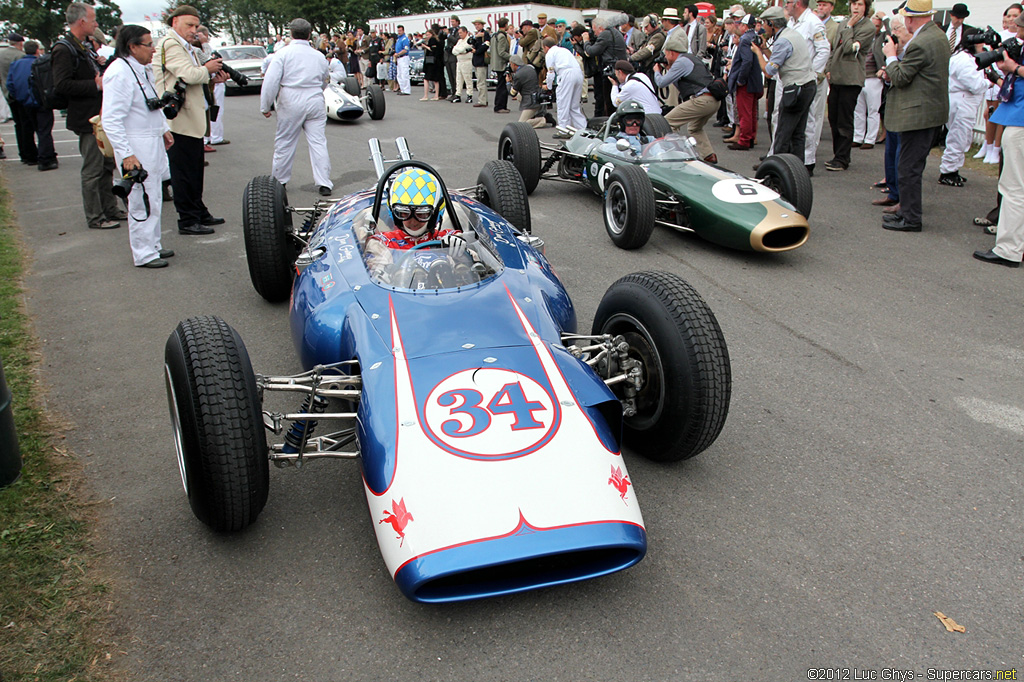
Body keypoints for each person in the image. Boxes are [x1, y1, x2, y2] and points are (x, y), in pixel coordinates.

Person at [101, 25, 175, 268]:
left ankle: (152, 244)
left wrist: (163, 128)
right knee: (140, 197)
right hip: (135, 142)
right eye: (148, 44)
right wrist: (126, 154)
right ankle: (143, 252)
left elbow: (150, 103)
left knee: (153, 194)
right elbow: (111, 119)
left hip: (150, 138)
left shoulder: (141, 70)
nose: (153, 49)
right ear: (132, 46)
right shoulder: (119, 73)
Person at [153, 4, 228, 235]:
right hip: (180, 119)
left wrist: (213, 78)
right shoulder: (171, 44)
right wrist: (207, 68)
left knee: (195, 170)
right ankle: (187, 219)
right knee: (184, 172)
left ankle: (198, 211)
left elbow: (194, 79)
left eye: (196, 25)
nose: (194, 30)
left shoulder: (186, 46)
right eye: (189, 25)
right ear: (174, 22)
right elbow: (189, 74)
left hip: (192, 117)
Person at [879, 0, 950, 233]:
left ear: (910, 18)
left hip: (919, 114)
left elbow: (900, 77)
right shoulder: (936, 35)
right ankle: (907, 212)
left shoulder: (921, 42)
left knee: (908, 168)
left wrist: (890, 56)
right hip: (929, 112)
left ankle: (910, 217)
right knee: (911, 166)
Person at [53, 3, 125, 230]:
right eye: (93, 20)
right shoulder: (64, 49)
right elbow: (62, 84)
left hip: (99, 113)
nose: (96, 24)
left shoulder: (83, 46)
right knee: (93, 169)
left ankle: (110, 208)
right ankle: (96, 216)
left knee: (105, 166)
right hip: (87, 118)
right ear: (82, 21)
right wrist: (94, 84)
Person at [973, 12, 1024, 267]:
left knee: (1014, 189)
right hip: (1016, 115)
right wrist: (999, 76)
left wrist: (1014, 67)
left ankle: (1009, 249)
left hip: (1020, 122)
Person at [260, 18, 332, 197]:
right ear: (309, 35)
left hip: (291, 97)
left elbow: (271, 81)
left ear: (291, 33)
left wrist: (266, 105)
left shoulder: (283, 54)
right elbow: (325, 79)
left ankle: (280, 181)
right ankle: (324, 183)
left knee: (285, 142)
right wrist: (317, 91)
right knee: (318, 142)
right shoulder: (318, 55)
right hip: (314, 97)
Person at [364, 168, 462, 276]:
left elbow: (474, 267)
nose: (413, 221)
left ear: (434, 214)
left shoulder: (449, 239)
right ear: (395, 213)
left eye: (421, 214)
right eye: (404, 213)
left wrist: (461, 254)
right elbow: (376, 271)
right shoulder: (382, 243)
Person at [751, 6, 817, 165]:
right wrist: (765, 48)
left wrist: (758, 53)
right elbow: (778, 60)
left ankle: (774, 170)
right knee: (798, 133)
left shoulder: (782, 41)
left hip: (796, 88)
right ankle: (799, 169)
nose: (763, 28)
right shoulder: (793, 34)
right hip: (808, 86)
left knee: (783, 132)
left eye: (764, 24)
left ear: (771, 23)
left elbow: (769, 71)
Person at [823, 0, 875, 171]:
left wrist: (849, 28)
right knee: (833, 117)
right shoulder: (844, 24)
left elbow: (848, 48)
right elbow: (834, 49)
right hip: (836, 77)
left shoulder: (867, 27)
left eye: (860, 4)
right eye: (853, 3)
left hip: (851, 78)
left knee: (845, 120)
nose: (855, 8)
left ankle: (842, 158)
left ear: (866, 7)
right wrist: (828, 68)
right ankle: (837, 154)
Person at [655, 33, 722, 162]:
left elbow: (661, 82)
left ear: (672, 52)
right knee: (694, 128)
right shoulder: (691, 58)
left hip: (702, 100)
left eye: (666, 54)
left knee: (667, 122)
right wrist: (669, 68)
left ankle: (678, 155)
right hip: (713, 100)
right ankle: (710, 156)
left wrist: (657, 71)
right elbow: (681, 83)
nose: (665, 57)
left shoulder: (680, 62)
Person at [787, 0, 831, 173]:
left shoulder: (813, 22)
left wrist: (812, 73)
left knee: (809, 120)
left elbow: (824, 50)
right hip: (793, 79)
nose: (786, 5)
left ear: (798, 3)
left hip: (808, 80)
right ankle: (792, 158)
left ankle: (807, 160)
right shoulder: (792, 22)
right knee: (792, 120)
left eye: (788, 1)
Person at [938, 41, 987, 186]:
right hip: (963, 101)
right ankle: (947, 171)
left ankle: (953, 169)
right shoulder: (965, 60)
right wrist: (988, 82)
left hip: (961, 100)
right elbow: (975, 85)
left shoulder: (961, 57)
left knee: (961, 136)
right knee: (959, 136)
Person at [6, 41, 58, 171]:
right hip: (41, 101)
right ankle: (46, 158)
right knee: (44, 130)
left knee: (27, 128)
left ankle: (30, 156)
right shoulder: (41, 63)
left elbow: (10, 83)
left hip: (24, 102)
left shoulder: (16, 64)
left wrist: (18, 96)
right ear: (37, 50)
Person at [726, 15, 763, 150]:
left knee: (745, 112)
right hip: (754, 80)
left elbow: (746, 61)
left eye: (740, 24)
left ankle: (744, 140)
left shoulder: (745, 39)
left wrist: (741, 79)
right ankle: (750, 137)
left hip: (746, 82)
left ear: (744, 26)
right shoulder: (754, 37)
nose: (738, 27)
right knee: (751, 112)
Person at [853, 11, 887, 148]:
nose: (874, 29)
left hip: (874, 78)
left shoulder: (882, 38)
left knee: (873, 110)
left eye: (878, 26)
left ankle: (870, 139)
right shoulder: (862, 37)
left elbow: (891, 31)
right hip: (860, 76)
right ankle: (858, 136)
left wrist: (884, 17)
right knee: (858, 110)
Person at [582, 16, 628, 118]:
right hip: (618, 69)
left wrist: (586, 41)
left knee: (609, 101)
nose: (595, 34)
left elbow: (591, 51)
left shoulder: (605, 35)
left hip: (610, 71)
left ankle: (611, 122)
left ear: (600, 28)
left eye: (595, 31)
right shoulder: (615, 32)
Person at [0, 33, 33, 166]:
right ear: (20, 44)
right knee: (27, 125)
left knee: (18, 124)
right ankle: (29, 153)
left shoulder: (1, 55)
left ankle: (22, 154)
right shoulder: (20, 56)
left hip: (7, 93)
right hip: (21, 93)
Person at [543, 37, 587, 135]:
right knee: (574, 106)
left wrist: (549, 86)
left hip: (566, 74)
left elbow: (550, 73)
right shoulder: (564, 50)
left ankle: (563, 130)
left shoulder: (550, 54)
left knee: (563, 103)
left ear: (546, 47)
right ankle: (583, 129)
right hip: (578, 73)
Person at [508, 53, 547, 128]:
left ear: (514, 64)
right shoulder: (530, 68)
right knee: (520, 95)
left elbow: (512, 93)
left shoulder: (518, 75)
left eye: (510, 64)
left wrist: (508, 83)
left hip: (530, 102)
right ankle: (537, 114)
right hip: (537, 97)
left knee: (521, 125)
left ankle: (542, 120)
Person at [630, 13, 666, 80]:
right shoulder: (652, 36)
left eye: (647, 26)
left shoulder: (658, 37)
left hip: (651, 69)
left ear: (653, 24)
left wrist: (631, 58)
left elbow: (647, 51)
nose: (645, 29)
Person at [491, 18, 512, 113]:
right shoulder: (502, 37)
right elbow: (501, 52)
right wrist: (511, 58)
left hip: (496, 63)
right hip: (501, 64)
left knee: (500, 86)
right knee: (502, 87)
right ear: (506, 25)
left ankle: (499, 105)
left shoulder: (494, 35)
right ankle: (500, 106)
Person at [470, 19, 490, 108]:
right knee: (480, 81)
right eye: (476, 24)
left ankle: (482, 100)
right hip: (476, 60)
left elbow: (486, 45)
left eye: (478, 24)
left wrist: (477, 51)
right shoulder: (476, 34)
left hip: (481, 60)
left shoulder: (485, 34)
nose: (477, 26)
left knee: (481, 82)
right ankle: (483, 99)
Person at [452, 26, 474, 103]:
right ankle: (458, 94)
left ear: (465, 32)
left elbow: (464, 49)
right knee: (459, 79)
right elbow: (454, 50)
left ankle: (469, 95)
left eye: (461, 33)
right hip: (459, 61)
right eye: (459, 33)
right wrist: (460, 50)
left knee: (467, 78)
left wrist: (460, 50)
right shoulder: (459, 41)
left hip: (466, 61)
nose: (460, 34)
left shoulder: (469, 40)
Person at [421, 27, 442, 100]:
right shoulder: (436, 40)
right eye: (426, 35)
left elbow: (432, 49)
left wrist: (425, 46)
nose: (427, 36)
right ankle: (436, 95)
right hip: (435, 61)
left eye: (428, 34)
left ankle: (426, 95)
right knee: (435, 79)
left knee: (427, 78)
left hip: (431, 61)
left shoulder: (432, 40)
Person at [445, 16, 462, 100]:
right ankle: (452, 92)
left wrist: (448, 35)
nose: (452, 23)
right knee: (450, 76)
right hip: (448, 56)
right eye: (451, 21)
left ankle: (457, 93)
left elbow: (456, 41)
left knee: (455, 76)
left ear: (458, 22)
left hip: (454, 56)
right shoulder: (451, 30)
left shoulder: (459, 31)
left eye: (453, 21)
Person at [394, 25, 411, 95]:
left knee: (404, 74)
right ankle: (402, 89)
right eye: (398, 31)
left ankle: (406, 90)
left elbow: (405, 49)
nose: (399, 32)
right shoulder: (398, 39)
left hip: (403, 57)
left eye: (400, 31)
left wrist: (398, 54)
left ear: (403, 31)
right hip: (398, 58)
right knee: (399, 75)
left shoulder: (405, 39)